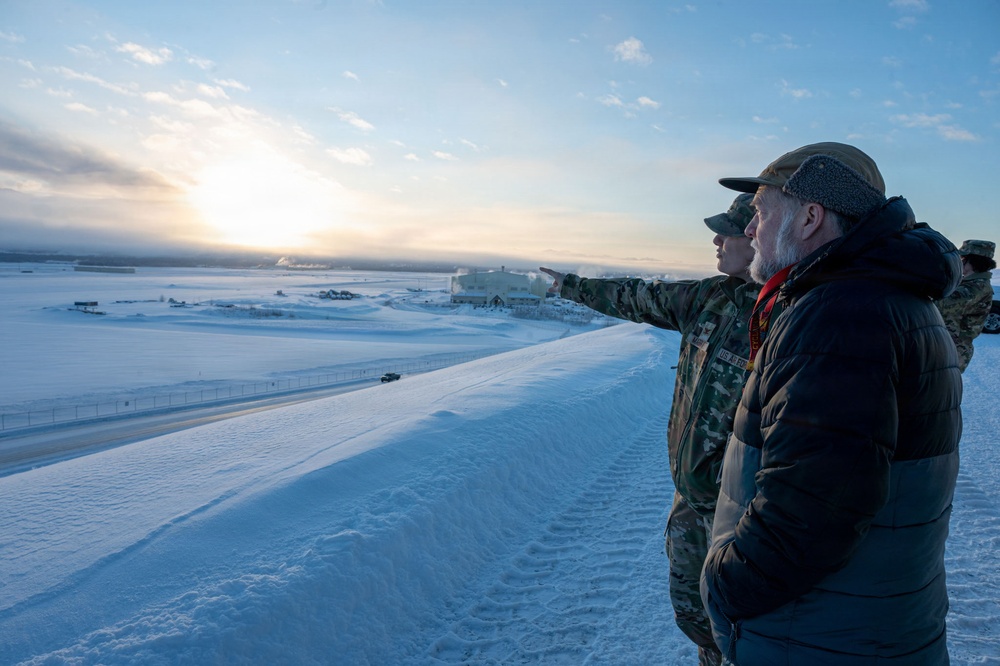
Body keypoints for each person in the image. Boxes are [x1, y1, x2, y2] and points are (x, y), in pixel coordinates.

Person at [699, 142, 963, 665]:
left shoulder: (842, 316)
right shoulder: (886, 296)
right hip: (862, 631)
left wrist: (722, 585)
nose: (749, 230)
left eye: (760, 212)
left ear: (810, 217)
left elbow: (811, 514)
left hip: (818, 638)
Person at [540, 193, 758, 666]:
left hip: (743, 512)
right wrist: (571, 287)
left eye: (728, 232)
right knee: (697, 614)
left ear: (758, 237)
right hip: (691, 498)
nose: (717, 240)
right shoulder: (707, 298)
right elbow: (639, 296)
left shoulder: (787, 314)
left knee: (745, 621)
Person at [936, 239, 996, 372]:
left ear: (975, 261)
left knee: (938, 390)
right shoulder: (967, 282)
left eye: (964, 258)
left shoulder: (978, 287)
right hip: (946, 344)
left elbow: (942, 303)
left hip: (954, 350)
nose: (960, 261)